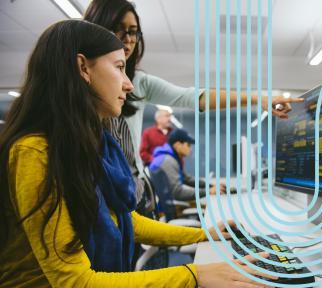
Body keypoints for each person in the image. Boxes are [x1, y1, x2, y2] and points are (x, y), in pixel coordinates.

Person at [0, 20, 274, 288]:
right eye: (120, 68)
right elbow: (75, 281)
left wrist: (204, 234)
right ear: (83, 67)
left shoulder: (89, 145)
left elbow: (125, 220)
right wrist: (194, 275)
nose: (129, 84)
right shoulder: (35, 153)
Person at [83, 0, 303, 214]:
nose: (128, 40)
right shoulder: (72, 95)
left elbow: (193, 97)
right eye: (119, 30)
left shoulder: (138, 83)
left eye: (134, 32)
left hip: (129, 197)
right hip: (94, 198)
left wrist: (259, 99)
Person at [150, 129, 225, 205]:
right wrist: (208, 191)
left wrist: (211, 186)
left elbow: (187, 179)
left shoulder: (171, 158)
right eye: (188, 145)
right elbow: (177, 192)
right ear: (178, 145)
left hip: (170, 205)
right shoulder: (167, 161)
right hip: (167, 210)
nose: (190, 149)